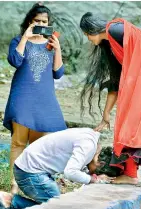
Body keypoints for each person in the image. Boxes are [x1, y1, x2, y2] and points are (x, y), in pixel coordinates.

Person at [79, 12, 141, 185]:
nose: (87, 39)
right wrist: (106, 114)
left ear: (91, 29)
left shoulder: (114, 29)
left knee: (135, 122)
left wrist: (132, 84)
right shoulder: (112, 46)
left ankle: (130, 174)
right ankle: (129, 172)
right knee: (133, 123)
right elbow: (115, 84)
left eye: (86, 34)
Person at [3, 3, 67, 194]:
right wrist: (25, 37)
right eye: (36, 21)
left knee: (45, 144)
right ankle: (15, 184)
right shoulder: (18, 40)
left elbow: (58, 73)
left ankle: (39, 184)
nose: (40, 24)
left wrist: (58, 49)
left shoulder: (51, 43)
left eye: (44, 21)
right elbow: (15, 60)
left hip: (45, 99)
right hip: (22, 97)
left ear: (49, 24)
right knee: (18, 143)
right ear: (29, 22)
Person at [0, 128, 113, 209]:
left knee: (58, 204)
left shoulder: (92, 141)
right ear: (100, 163)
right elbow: (70, 172)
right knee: (58, 207)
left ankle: (11, 201)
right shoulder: (87, 147)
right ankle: (11, 202)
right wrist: (94, 179)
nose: (92, 173)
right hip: (29, 172)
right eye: (96, 172)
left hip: (31, 168)